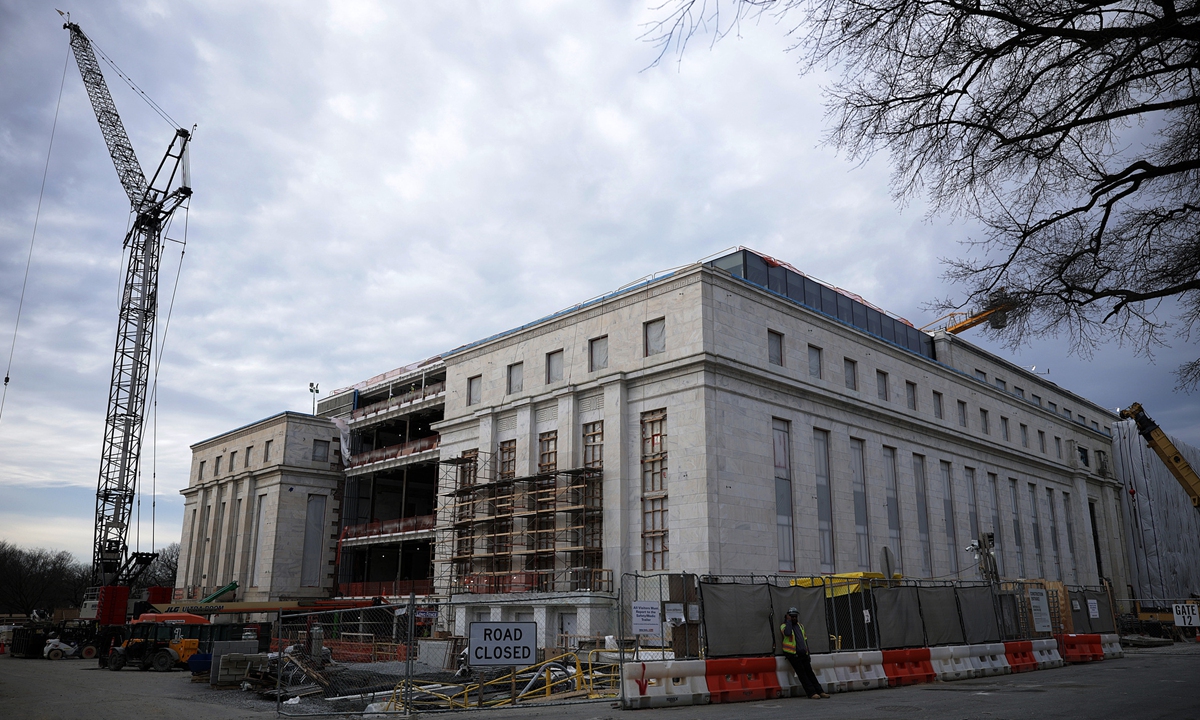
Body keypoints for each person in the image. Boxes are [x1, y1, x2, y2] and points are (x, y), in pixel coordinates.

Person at [780, 607, 829, 699]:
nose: (794, 618)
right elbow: (787, 633)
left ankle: (820, 691)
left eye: (795, 616)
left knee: (810, 673)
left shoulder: (800, 626)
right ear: (788, 617)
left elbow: (805, 640)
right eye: (792, 616)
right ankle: (811, 693)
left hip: (803, 654)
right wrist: (788, 621)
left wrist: (808, 653)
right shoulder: (784, 626)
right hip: (793, 655)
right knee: (802, 675)